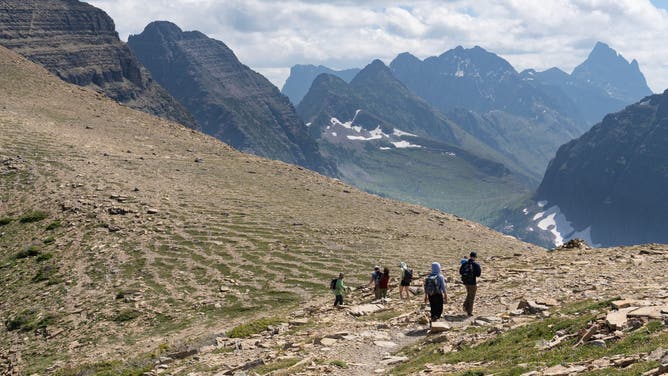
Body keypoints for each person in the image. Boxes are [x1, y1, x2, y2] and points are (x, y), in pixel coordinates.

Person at [460, 251, 482, 316]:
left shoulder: (464, 263)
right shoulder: (476, 265)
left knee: (469, 294)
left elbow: (460, 272)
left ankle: (466, 306)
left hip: (466, 282)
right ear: (475, 257)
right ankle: (469, 311)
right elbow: (478, 274)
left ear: (470, 256)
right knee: (471, 296)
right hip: (473, 282)